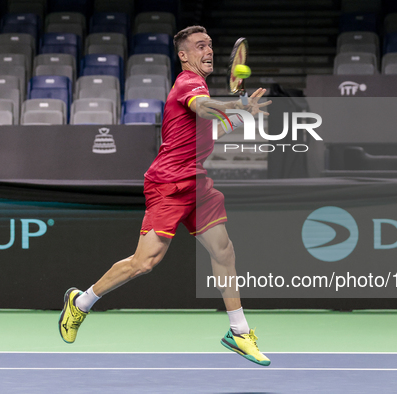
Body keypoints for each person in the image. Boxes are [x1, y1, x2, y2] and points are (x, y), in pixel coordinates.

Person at [58, 26, 272, 366]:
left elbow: (207, 128)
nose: (209, 51)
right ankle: (81, 303)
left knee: (224, 250)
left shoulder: (199, 88)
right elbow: (203, 109)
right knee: (145, 262)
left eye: (211, 45)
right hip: (168, 185)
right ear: (184, 55)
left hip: (196, 183)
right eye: (200, 46)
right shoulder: (188, 84)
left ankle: (239, 332)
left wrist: (239, 114)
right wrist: (237, 102)